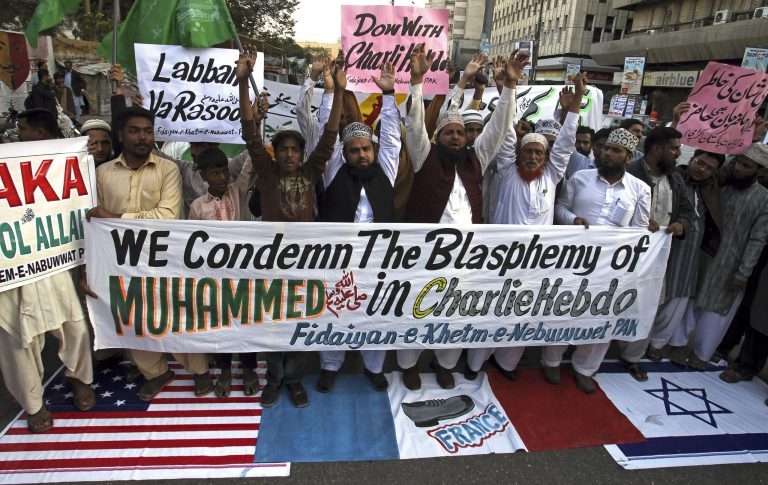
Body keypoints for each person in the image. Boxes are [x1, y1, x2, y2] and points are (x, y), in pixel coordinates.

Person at [399, 46, 526, 391]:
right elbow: (413, 125)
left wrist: (510, 89)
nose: (456, 136)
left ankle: (445, 363)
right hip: (422, 256)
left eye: (459, 132)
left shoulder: (475, 160)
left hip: (467, 258)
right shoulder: (424, 156)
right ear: (437, 138)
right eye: (449, 133)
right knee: (416, 308)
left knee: (455, 312)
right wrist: (416, 82)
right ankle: (409, 364)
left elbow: (498, 130)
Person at [82, 106, 213, 401]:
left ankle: (199, 369)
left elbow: (165, 216)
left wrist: (114, 217)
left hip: (164, 256)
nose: (142, 137)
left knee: (176, 313)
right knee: (132, 316)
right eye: (134, 131)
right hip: (120, 259)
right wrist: (89, 269)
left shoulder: (167, 169)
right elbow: (93, 221)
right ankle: (155, 372)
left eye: (147, 131)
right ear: (121, 135)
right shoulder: (102, 174)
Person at [466, 73, 589, 382]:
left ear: (545, 158)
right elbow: (506, 132)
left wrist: (573, 107)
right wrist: (506, 88)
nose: (533, 156)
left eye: (538, 153)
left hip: (535, 263)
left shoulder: (551, 176)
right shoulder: (507, 169)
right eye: (528, 151)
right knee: (489, 312)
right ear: (518, 154)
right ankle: (474, 363)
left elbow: (564, 144)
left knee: (522, 312)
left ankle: (506, 363)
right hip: (498, 260)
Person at [239, 52, 344, 407]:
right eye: (282, 149)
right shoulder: (266, 173)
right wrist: (243, 81)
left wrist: (340, 92)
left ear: (301, 155)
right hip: (270, 262)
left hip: (306, 262)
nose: (287, 155)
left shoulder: (311, 173)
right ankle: (274, 378)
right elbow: (251, 134)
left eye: (294, 151)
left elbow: (329, 138)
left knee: (302, 319)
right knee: (273, 322)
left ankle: (294, 377)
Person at [0, 109, 95, 433]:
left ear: (40, 134)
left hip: (49, 262)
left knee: (75, 326)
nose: (16, 134)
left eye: (22, 129)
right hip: (9, 267)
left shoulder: (60, 164)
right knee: (16, 341)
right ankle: (34, 403)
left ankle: (79, 378)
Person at [314, 62, 401, 394]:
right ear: (345, 154)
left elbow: (391, 138)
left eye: (366, 149)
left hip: (378, 259)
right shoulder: (333, 170)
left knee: (376, 312)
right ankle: (329, 366)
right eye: (355, 151)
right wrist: (330, 91)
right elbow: (327, 131)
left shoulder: (386, 170)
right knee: (334, 310)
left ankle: (373, 366)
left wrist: (389, 94)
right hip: (338, 259)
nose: (362, 154)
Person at [551, 128, 651, 393]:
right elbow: (560, 208)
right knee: (562, 310)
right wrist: (574, 220)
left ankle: (585, 368)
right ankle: (551, 360)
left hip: (612, 266)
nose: (608, 153)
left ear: (628, 157)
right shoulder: (580, 178)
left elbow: (639, 230)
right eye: (606, 148)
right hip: (574, 259)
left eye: (616, 150)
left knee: (603, 317)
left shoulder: (640, 189)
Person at [670, 143, 768, 369]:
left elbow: (758, 239)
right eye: (738, 162)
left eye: (746, 165)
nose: (739, 168)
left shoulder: (763, 199)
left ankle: (701, 355)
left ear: (759, 172)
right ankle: (677, 345)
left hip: (731, 264)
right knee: (690, 301)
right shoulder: (719, 185)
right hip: (702, 254)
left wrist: (743, 273)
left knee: (716, 312)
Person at [616, 126, 694, 380]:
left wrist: (680, 224)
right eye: (673, 148)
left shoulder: (675, 179)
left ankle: (633, 357)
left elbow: (686, 211)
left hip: (658, 256)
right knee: (611, 301)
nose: (677, 154)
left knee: (647, 306)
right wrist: (640, 221)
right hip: (625, 255)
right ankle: (590, 353)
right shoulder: (630, 173)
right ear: (656, 149)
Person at [638, 150, 723, 364]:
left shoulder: (711, 187)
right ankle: (637, 341)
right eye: (699, 163)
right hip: (666, 245)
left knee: (679, 298)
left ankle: (657, 344)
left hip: (692, 252)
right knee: (654, 294)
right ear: (692, 159)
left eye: (709, 168)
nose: (702, 169)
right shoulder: (674, 178)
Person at [187, 145, 258, 397]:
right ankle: (225, 369)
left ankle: (249, 368)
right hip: (214, 277)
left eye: (224, 172)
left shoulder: (238, 192)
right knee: (221, 324)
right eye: (214, 174)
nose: (221, 178)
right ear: (203, 176)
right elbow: (192, 245)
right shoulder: (197, 207)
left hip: (243, 273)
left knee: (246, 321)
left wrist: (256, 123)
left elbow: (250, 163)